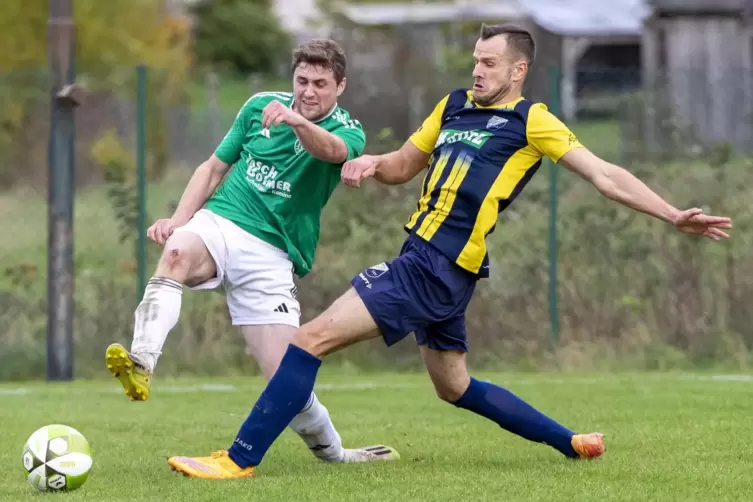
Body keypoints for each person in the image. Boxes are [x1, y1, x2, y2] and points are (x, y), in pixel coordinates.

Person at [165, 24, 732, 479]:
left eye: (489, 63)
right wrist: (369, 162)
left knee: (308, 340)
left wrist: (671, 213)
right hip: (439, 266)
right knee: (454, 386)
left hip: (433, 265)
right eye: (475, 60)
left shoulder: (532, 120)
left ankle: (237, 460)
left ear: (518, 70)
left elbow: (605, 174)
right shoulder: (453, 105)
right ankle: (573, 443)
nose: (477, 70)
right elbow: (403, 166)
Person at [104, 38, 399, 465]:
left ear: (340, 86)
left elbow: (332, 153)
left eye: (320, 83)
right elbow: (213, 168)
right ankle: (142, 362)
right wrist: (179, 222)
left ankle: (336, 455)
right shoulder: (259, 105)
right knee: (175, 255)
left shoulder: (346, 130)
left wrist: (297, 121)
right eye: (302, 80)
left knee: (286, 382)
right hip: (222, 222)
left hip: (273, 255)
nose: (308, 90)